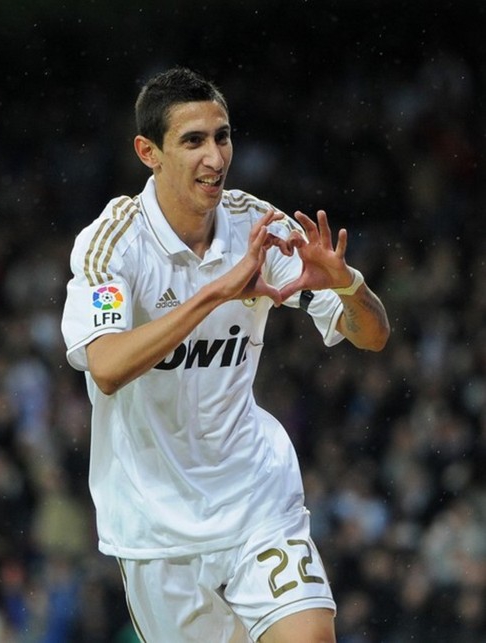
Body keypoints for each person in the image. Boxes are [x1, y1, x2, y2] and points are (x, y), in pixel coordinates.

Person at [61, 67, 390, 643]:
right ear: (148, 152)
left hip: (256, 499)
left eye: (222, 136)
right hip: (156, 527)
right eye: (193, 141)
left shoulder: (257, 225)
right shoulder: (111, 244)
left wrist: (347, 285)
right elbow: (107, 367)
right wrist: (217, 292)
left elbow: (372, 335)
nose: (215, 157)